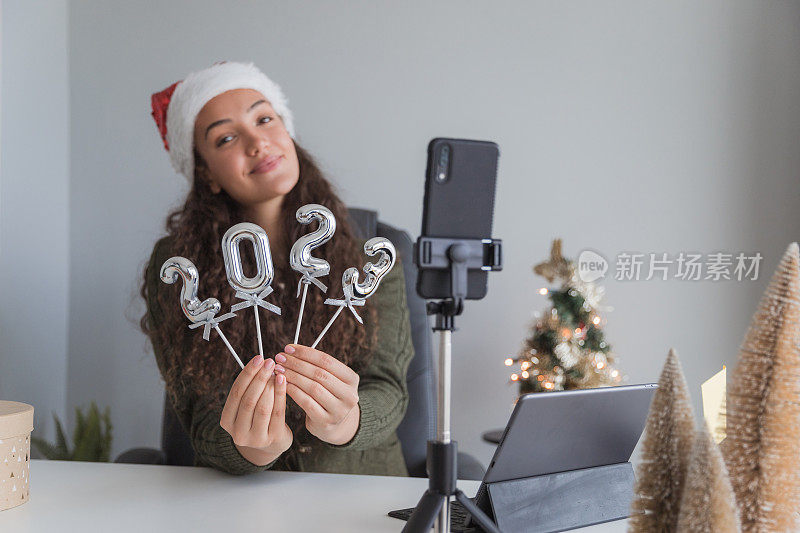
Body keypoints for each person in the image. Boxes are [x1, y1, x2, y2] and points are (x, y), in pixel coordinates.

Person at [140, 61, 414, 476]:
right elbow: (199, 419)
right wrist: (252, 448)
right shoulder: (181, 268)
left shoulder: (369, 262)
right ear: (206, 173)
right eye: (226, 137)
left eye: (265, 119)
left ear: (288, 132)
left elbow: (389, 389)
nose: (257, 142)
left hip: (366, 494)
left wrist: (345, 420)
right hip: (240, 503)